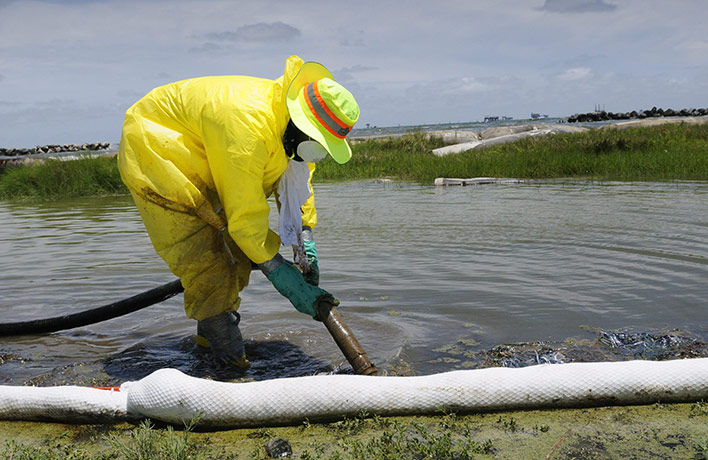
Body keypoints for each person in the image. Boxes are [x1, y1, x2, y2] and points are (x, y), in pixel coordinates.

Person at [117, 55, 360, 370]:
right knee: (207, 263)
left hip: (208, 154)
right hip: (159, 149)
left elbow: (297, 179)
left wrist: (304, 237)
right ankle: (231, 367)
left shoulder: (290, 128)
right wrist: (281, 273)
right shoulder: (249, 124)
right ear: (301, 124)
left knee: (236, 258)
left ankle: (206, 350)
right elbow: (245, 222)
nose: (317, 150)